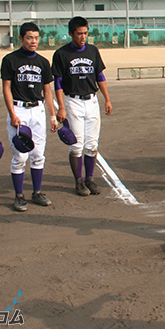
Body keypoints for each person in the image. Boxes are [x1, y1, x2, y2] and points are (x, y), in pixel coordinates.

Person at [52, 16, 113, 196]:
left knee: (92, 144)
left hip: (92, 100)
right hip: (73, 102)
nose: (83, 37)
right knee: (77, 145)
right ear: (71, 34)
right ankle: (79, 181)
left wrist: (107, 99)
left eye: (85, 33)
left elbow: (99, 76)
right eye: (79, 34)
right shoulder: (62, 54)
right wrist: (61, 107)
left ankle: (90, 179)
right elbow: (58, 82)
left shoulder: (93, 51)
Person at [1, 22, 57, 211]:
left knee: (38, 155)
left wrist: (52, 116)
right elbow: (6, 88)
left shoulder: (43, 62)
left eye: (36, 38)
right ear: (21, 39)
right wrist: (12, 114)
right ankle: (18, 196)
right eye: (29, 38)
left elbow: (48, 92)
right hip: (19, 110)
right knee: (20, 156)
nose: (33, 41)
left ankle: (37, 192)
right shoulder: (10, 60)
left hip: (38, 110)